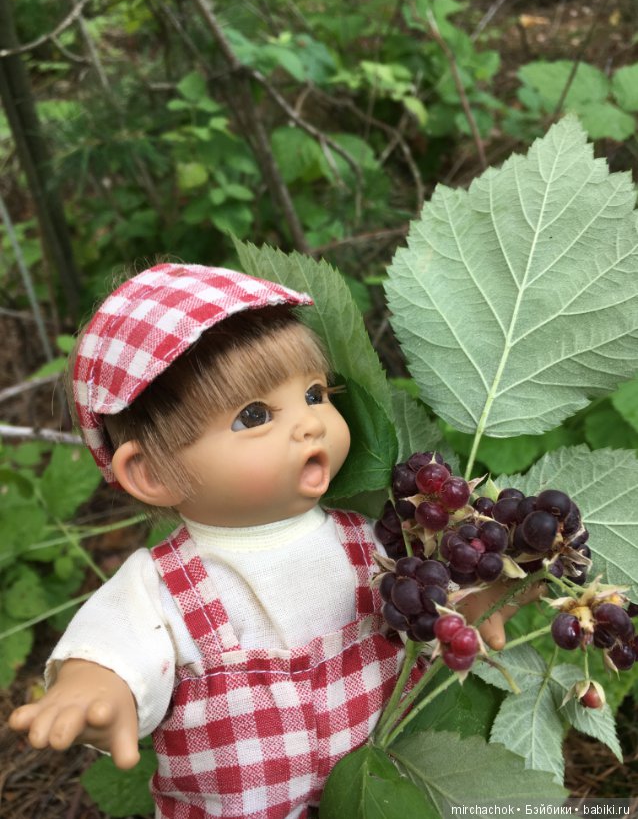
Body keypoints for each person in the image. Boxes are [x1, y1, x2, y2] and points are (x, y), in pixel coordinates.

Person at [9, 262, 517, 819]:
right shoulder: (162, 585)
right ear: (152, 473)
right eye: (255, 416)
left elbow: (425, 601)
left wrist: (471, 601)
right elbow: (116, 642)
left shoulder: (367, 542)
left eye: (316, 393)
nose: (309, 424)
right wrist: (97, 685)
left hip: (377, 794)